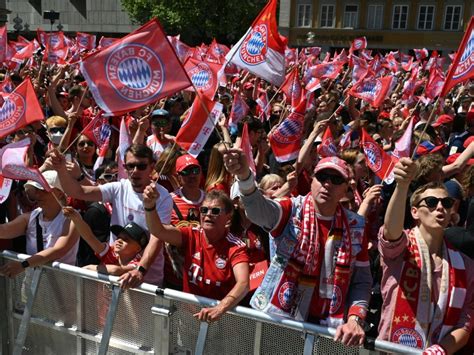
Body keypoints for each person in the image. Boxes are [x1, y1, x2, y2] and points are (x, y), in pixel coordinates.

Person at [223, 149, 371, 347]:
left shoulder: (356, 227)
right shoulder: (290, 209)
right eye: (322, 177)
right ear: (312, 180)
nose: (327, 183)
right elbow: (258, 212)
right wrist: (244, 177)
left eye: (336, 180)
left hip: (328, 329)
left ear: (346, 189)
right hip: (280, 323)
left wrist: (354, 319)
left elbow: (361, 282)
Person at [378, 157, 474, 353]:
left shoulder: (466, 265)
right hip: (393, 350)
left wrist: (441, 350)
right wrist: (403, 185)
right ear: (414, 212)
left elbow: (466, 320)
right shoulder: (400, 248)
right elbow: (391, 231)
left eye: (446, 203)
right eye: (431, 202)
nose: (440, 207)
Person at [51, 144, 172, 287]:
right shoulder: (118, 188)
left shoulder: (163, 196)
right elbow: (78, 192)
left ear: (152, 167)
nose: (135, 171)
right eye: (130, 166)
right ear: (124, 167)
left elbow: (157, 237)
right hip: (115, 276)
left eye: (141, 166)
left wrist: (140, 270)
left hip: (146, 278)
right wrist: (60, 169)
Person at [143, 187, 249, 323]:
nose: (208, 214)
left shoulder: (236, 247)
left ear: (228, 218)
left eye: (215, 211)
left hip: (221, 320)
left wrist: (220, 308)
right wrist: (149, 206)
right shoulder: (190, 234)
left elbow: (243, 283)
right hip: (188, 319)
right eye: (204, 210)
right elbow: (158, 231)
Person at [0, 171, 80, 277]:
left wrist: (23, 265)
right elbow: (4, 231)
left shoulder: (72, 218)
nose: (38, 194)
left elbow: (58, 250)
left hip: (63, 287)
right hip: (33, 286)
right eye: (36, 190)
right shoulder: (30, 217)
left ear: (60, 193)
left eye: (43, 190)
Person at [63, 206, 148, 275]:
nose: (119, 240)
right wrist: (76, 218)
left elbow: (115, 270)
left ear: (138, 249)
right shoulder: (110, 253)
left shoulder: (138, 264)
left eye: (126, 239)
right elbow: (89, 237)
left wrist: (89, 268)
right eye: (118, 237)